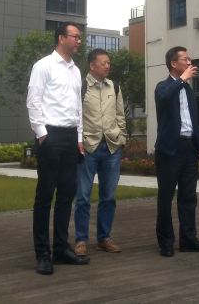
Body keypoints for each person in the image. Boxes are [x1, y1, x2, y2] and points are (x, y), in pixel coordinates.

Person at [27, 22, 88, 275]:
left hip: (71, 137)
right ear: (62, 38)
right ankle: (43, 253)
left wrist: (79, 137)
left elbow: (77, 107)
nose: (79, 41)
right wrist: (43, 135)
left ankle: (61, 248)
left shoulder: (76, 70)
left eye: (80, 37)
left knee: (66, 195)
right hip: (50, 136)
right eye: (75, 37)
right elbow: (33, 102)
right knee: (45, 196)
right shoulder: (43, 66)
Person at [154, 46, 199, 257]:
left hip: (189, 148)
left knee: (188, 197)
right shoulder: (163, 86)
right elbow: (163, 99)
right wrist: (181, 80)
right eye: (185, 59)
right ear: (173, 63)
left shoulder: (188, 89)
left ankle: (188, 240)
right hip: (170, 150)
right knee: (166, 197)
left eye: (190, 59)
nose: (190, 63)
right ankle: (166, 242)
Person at [73, 48, 127, 257]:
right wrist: (79, 140)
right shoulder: (81, 86)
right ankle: (81, 240)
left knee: (108, 196)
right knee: (83, 196)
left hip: (112, 147)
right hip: (88, 147)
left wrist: (121, 138)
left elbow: (120, 115)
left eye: (109, 63)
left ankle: (104, 238)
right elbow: (75, 115)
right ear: (92, 65)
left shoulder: (114, 86)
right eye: (103, 62)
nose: (107, 66)